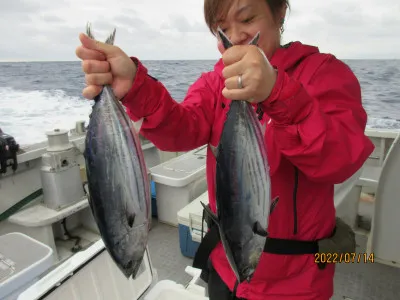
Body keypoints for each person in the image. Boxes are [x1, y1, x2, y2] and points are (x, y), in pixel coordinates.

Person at [76, 0, 375, 299]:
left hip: (295, 284)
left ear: (280, 12)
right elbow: (180, 128)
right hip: (226, 266)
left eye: (247, 19)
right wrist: (135, 88)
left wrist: (278, 92)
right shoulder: (215, 84)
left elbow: (341, 159)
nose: (236, 35)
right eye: (222, 28)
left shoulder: (323, 74)